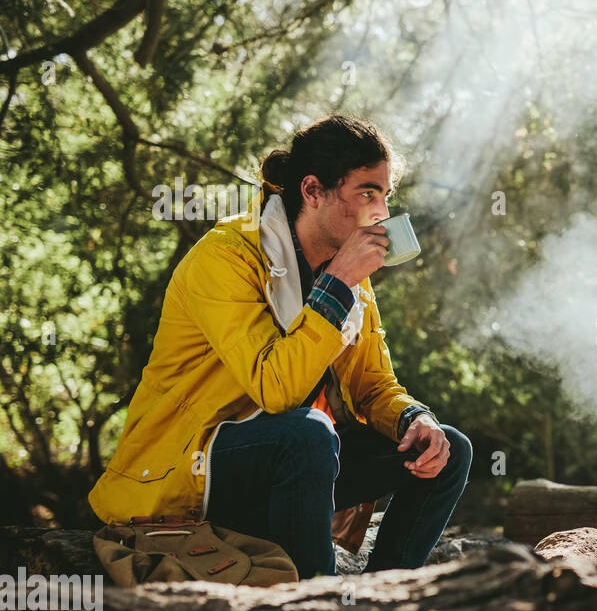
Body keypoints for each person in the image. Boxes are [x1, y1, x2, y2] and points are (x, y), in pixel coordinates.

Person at [88, 114, 471, 576]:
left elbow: (371, 384)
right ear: (312, 191)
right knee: (307, 432)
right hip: (194, 469)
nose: (382, 214)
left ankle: (382, 598)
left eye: (385, 196)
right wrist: (338, 284)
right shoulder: (227, 255)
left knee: (448, 448)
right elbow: (276, 389)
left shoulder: (348, 277)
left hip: (291, 465)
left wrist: (415, 418)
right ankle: (317, 602)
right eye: (367, 193)